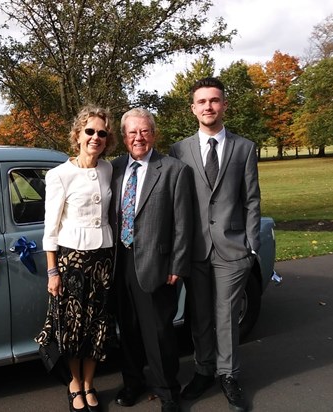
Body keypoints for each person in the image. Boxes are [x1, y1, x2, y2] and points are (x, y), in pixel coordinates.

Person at [169, 77, 261, 412]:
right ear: (193, 108)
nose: (208, 106)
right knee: (199, 316)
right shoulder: (179, 150)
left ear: (224, 105)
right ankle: (204, 370)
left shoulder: (244, 147)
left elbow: (252, 200)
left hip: (233, 249)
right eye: (202, 101)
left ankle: (229, 375)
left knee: (226, 315)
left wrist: (251, 246)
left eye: (215, 100)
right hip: (194, 250)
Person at [110, 108, 193, 412]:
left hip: (158, 265)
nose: (138, 137)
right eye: (132, 132)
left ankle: (168, 391)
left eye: (144, 131)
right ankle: (133, 382)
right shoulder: (114, 168)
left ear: (154, 134)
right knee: (128, 329)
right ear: (123, 137)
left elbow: (184, 224)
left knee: (159, 332)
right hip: (120, 261)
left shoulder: (174, 170)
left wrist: (177, 265)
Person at [35, 105, 117, 412]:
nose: (96, 137)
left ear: (107, 139)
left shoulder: (109, 169)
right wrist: (52, 271)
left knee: (98, 325)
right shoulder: (59, 175)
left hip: (104, 261)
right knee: (72, 328)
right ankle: (73, 384)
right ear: (77, 135)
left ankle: (89, 384)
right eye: (90, 131)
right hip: (71, 262)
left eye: (102, 133)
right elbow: (50, 227)